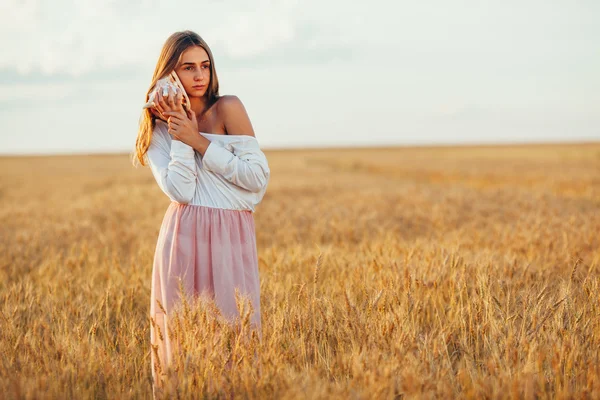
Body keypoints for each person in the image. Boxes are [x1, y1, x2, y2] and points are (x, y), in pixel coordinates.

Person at [131, 30, 270, 397]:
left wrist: (198, 141)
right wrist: (178, 131)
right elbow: (182, 190)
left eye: (205, 65)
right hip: (183, 239)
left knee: (235, 339)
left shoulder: (228, 108)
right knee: (184, 344)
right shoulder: (159, 130)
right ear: (169, 74)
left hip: (231, 237)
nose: (199, 75)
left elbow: (257, 179)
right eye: (187, 67)